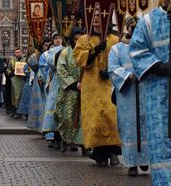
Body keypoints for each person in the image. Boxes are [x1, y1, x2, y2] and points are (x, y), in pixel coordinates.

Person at [129, 0, 171, 185]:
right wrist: (158, 66)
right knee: (161, 140)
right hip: (157, 92)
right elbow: (136, 51)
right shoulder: (148, 21)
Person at [73, 11, 121, 166]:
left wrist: (112, 72)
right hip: (92, 85)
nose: (95, 21)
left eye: (98, 18)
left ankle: (113, 152)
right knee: (96, 120)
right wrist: (94, 51)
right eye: (93, 18)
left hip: (109, 83)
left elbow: (121, 58)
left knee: (111, 115)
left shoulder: (114, 40)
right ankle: (100, 154)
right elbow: (79, 59)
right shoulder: (84, 39)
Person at [109, 18, 149, 177]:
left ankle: (145, 159)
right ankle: (132, 163)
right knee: (129, 127)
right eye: (132, 26)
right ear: (127, 28)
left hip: (144, 90)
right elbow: (112, 69)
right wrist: (127, 75)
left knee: (145, 125)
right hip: (127, 93)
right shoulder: (117, 49)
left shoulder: (145, 46)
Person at [54, 27, 84, 153]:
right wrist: (73, 84)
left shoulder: (86, 52)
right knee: (66, 116)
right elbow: (61, 70)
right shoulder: (65, 53)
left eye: (80, 39)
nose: (77, 41)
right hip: (68, 90)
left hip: (83, 90)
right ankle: (65, 140)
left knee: (82, 119)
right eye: (75, 39)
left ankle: (83, 145)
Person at [41, 33, 65, 149]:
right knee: (54, 108)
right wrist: (58, 54)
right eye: (55, 38)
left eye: (59, 38)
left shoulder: (67, 49)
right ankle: (55, 137)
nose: (57, 40)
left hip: (66, 82)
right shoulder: (50, 52)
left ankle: (66, 139)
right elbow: (51, 63)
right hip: (55, 82)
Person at [6, 47, 27, 119]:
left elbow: (29, 68)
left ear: (21, 52)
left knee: (23, 95)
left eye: (19, 52)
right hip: (15, 80)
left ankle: (23, 112)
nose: (17, 53)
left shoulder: (25, 59)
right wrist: (11, 73)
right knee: (15, 96)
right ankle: (16, 111)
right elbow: (8, 69)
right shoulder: (12, 60)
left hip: (23, 79)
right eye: (16, 52)